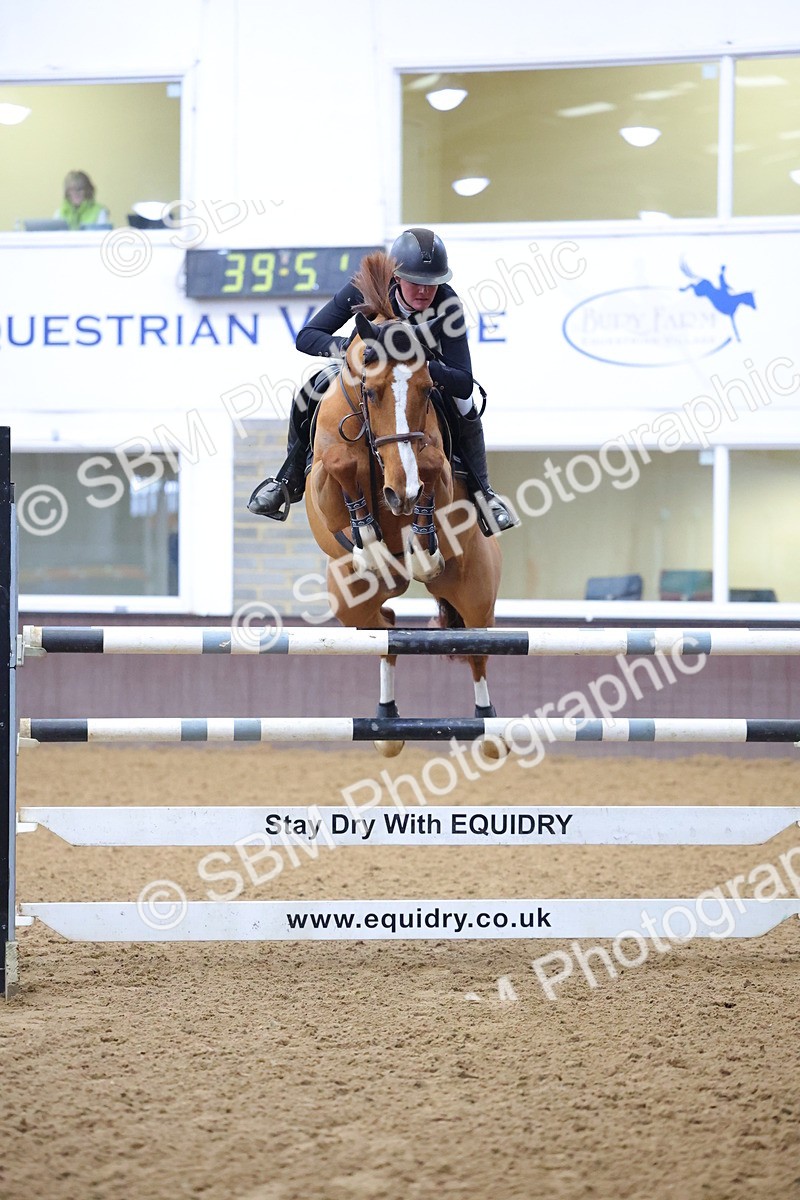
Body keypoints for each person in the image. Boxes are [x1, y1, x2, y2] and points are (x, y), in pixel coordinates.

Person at [248, 227, 517, 533]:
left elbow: (463, 380)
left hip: (419, 379)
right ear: (396, 275)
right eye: (415, 282)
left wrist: (423, 367)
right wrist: (351, 352)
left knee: (466, 405)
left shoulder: (448, 305)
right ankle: (288, 479)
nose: (425, 292)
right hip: (369, 372)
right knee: (309, 389)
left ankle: (484, 493)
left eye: (432, 284)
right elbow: (307, 337)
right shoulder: (368, 287)